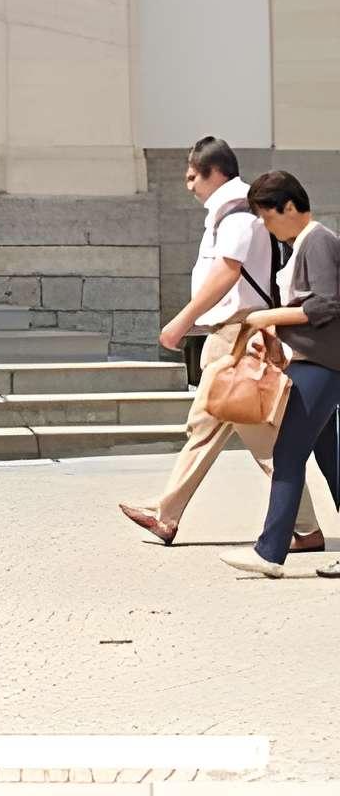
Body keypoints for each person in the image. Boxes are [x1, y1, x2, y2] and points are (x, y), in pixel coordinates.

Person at [119, 136, 323, 550]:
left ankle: (170, 516)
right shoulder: (231, 214)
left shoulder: (237, 216)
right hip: (233, 334)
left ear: (214, 173)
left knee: (243, 436)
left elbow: (227, 273)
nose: (188, 184)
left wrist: (180, 322)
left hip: (236, 335)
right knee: (221, 430)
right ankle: (172, 514)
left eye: (192, 175)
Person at [222, 171, 340, 578]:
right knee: (332, 460)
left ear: (289, 206)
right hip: (316, 362)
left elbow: (326, 305)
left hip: (321, 364)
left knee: (288, 454)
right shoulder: (303, 244)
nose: (266, 226)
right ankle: (270, 551)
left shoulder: (318, 240)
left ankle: (269, 553)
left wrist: (268, 317)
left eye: (267, 216)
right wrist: (275, 330)